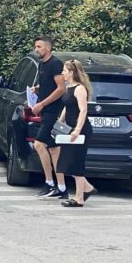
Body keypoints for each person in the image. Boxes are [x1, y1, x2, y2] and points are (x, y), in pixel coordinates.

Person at [31, 36, 68, 199]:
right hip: (46, 111)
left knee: (39, 144)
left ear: (48, 48)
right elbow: (49, 84)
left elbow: (61, 89)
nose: (36, 49)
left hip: (53, 112)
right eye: (36, 46)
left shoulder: (55, 64)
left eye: (39, 46)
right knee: (53, 149)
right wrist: (38, 89)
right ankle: (62, 188)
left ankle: (50, 183)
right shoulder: (42, 64)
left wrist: (42, 104)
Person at [58, 59, 98, 207]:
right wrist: (59, 124)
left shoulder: (80, 89)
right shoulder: (69, 87)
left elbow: (83, 110)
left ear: (72, 72)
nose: (62, 73)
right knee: (67, 162)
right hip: (69, 129)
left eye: (65, 71)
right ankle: (88, 188)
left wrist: (77, 130)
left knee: (76, 162)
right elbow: (67, 107)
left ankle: (79, 198)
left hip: (81, 130)